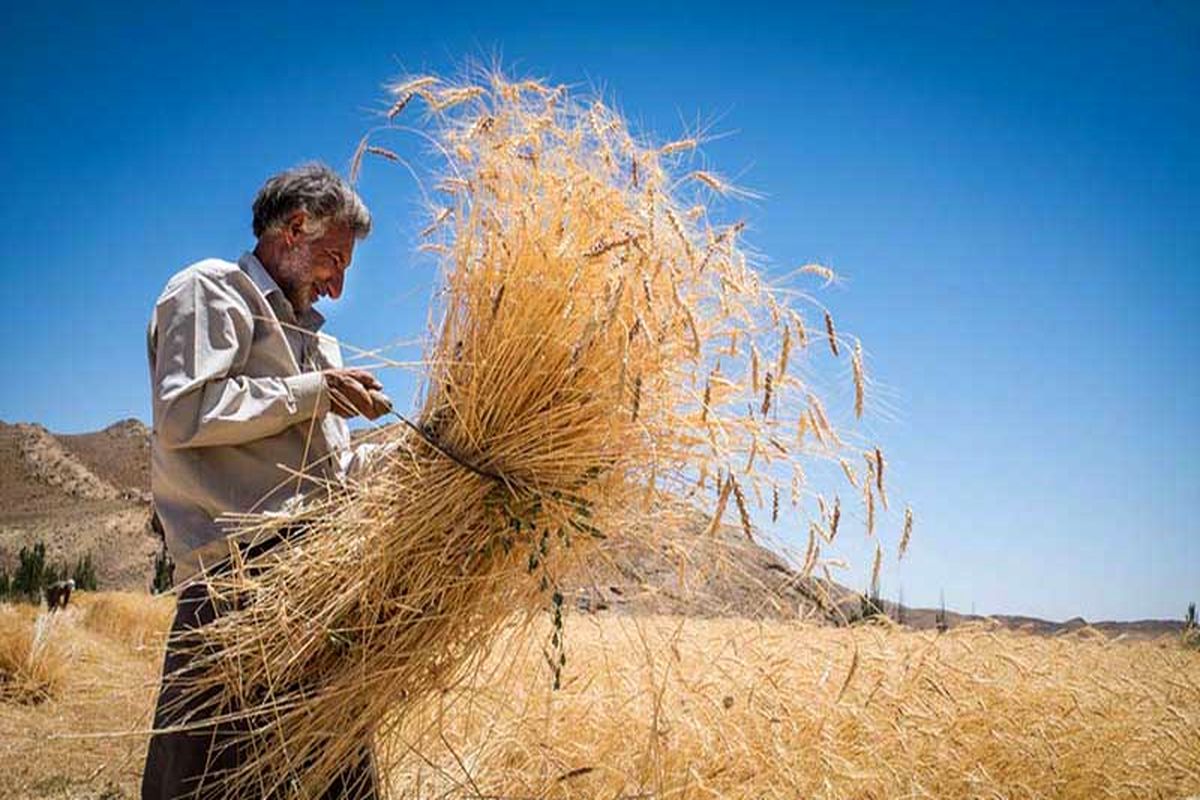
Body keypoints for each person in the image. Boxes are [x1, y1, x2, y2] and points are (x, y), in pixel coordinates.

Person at [142, 163, 388, 800]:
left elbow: (329, 477)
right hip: (234, 594)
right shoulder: (213, 292)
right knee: (214, 784)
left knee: (336, 779)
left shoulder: (317, 345)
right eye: (333, 260)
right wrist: (315, 392)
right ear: (295, 228)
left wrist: (412, 459)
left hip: (315, 594)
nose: (336, 286)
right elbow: (185, 412)